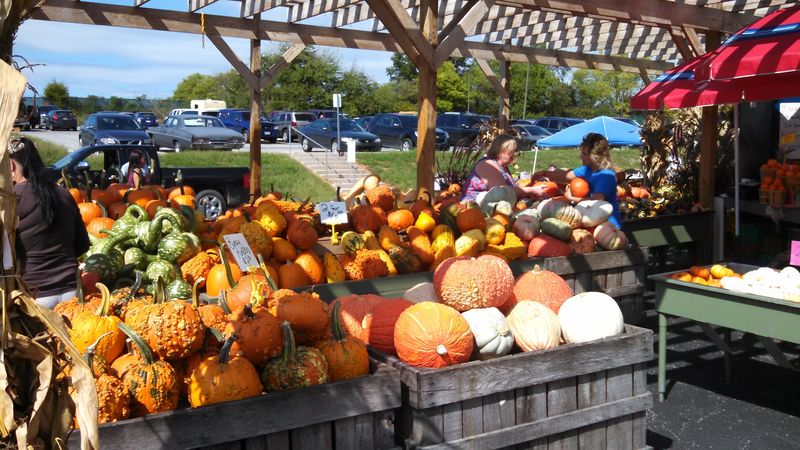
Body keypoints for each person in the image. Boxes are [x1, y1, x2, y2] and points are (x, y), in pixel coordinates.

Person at [9, 137, 91, 309]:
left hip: (34, 296)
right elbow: (82, 244)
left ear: (11, 165)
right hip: (73, 292)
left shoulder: (12, 200)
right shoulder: (63, 193)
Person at [545, 132, 623, 228]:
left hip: (608, 226)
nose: (580, 156)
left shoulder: (606, 176)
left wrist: (571, 198)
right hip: (591, 219)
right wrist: (545, 173)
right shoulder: (587, 169)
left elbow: (596, 201)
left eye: (584, 154)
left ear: (596, 156)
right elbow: (565, 176)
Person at [461, 134, 550, 202]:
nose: (515, 153)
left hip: (496, 210)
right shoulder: (487, 164)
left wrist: (532, 186)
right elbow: (502, 192)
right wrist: (531, 190)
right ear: (500, 150)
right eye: (512, 151)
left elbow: (512, 192)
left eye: (515, 151)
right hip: (474, 210)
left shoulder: (503, 167)